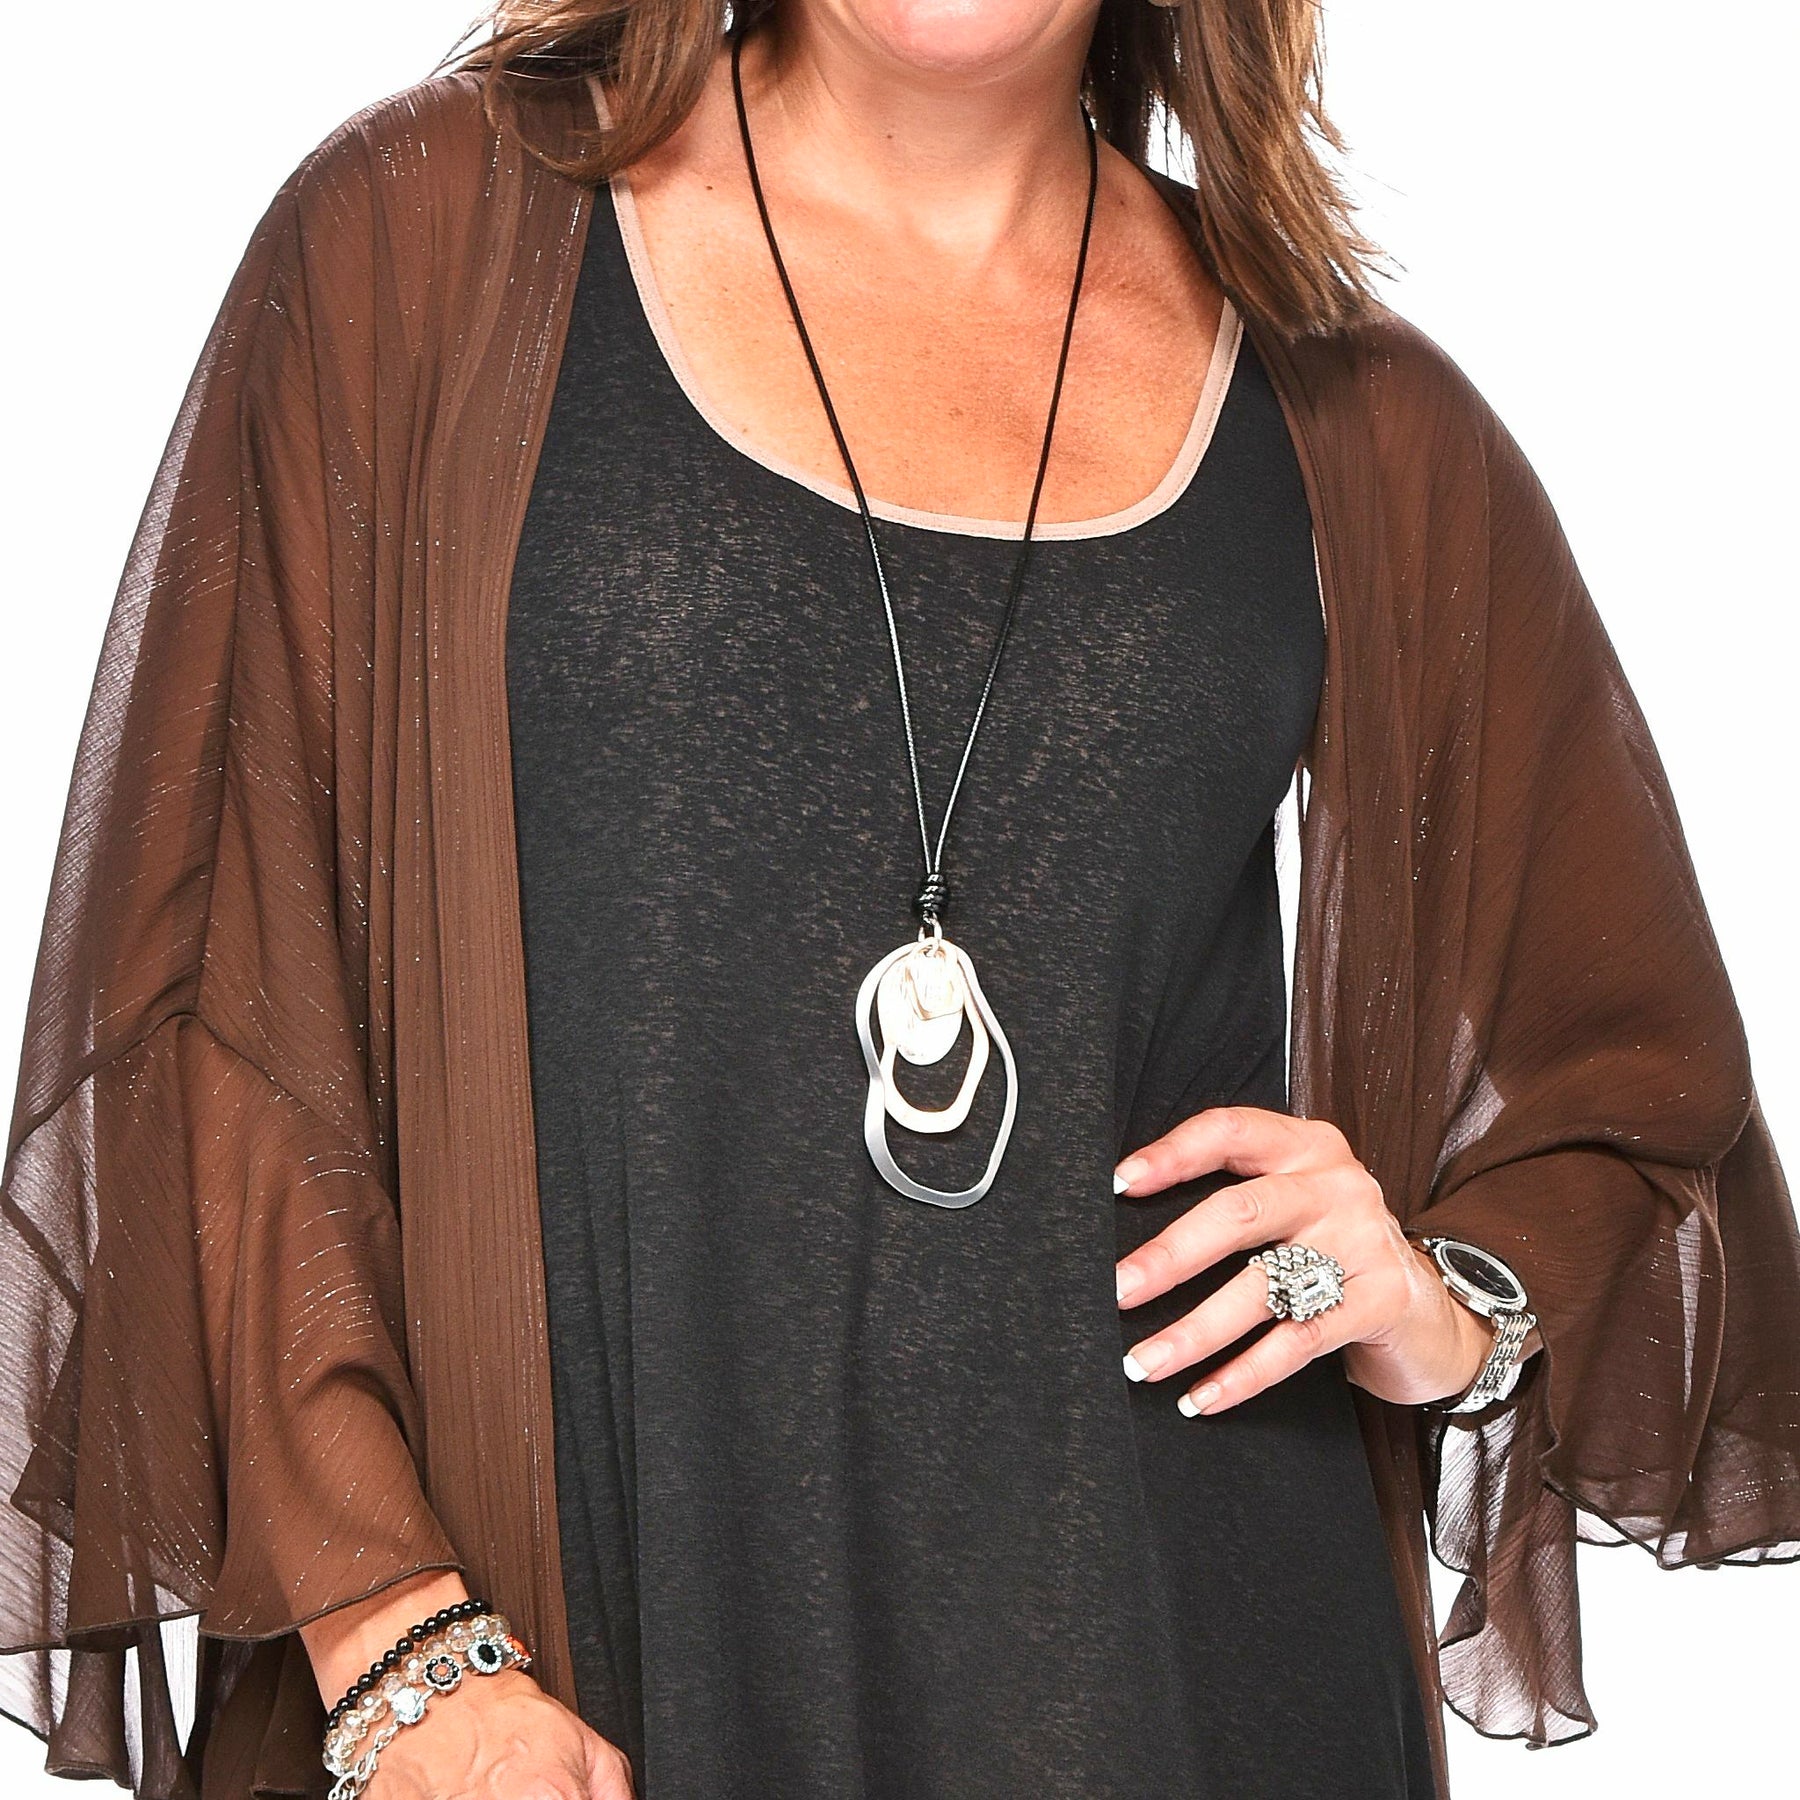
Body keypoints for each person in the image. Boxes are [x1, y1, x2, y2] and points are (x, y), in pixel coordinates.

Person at [3, 4, 1797, 1799]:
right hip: (581, 1673)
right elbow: (220, 989)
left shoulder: (1347, 408)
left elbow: (1641, 1092)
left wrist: (1449, 1296)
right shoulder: (429, 235)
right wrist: (398, 1645)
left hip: (1186, 1679)